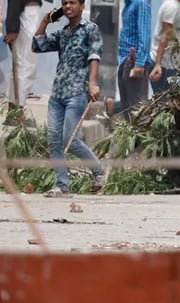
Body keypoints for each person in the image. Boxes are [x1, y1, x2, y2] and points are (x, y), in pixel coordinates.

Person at [32, 0, 105, 197]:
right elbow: (38, 45)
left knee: (70, 139)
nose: (68, 7)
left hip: (77, 92)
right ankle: (62, 185)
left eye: (72, 2)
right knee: (54, 139)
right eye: (64, 3)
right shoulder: (62, 32)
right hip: (57, 93)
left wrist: (92, 83)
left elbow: (94, 56)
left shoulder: (90, 29)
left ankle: (98, 171)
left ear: (82, 6)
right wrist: (45, 21)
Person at [4, 0, 51, 107]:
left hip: (28, 12)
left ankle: (14, 107)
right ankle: (17, 108)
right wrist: (12, 28)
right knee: (27, 65)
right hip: (26, 13)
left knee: (22, 64)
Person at [115, 0, 151, 120]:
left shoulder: (140, 3)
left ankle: (139, 137)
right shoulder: (128, 5)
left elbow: (144, 35)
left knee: (137, 111)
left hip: (134, 63)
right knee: (127, 110)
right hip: (124, 61)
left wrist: (140, 63)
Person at [149, 0, 180, 94]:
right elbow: (165, 35)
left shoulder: (179, 6)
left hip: (170, 64)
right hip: (163, 65)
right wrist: (158, 64)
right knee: (163, 104)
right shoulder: (172, 6)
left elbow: (177, 37)